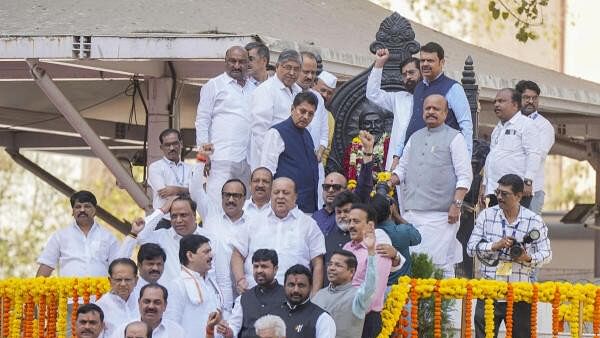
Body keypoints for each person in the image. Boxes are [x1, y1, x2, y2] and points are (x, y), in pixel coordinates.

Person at [390, 94, 472, 277]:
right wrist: (389, 180)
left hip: (441, 216)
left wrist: (456, 205)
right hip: (411, 213)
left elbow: (465, 176)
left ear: (445, 113)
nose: (431, 112)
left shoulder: (455, 138)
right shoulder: (414, 137)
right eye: (428, 108)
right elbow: (402, 168)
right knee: (413, 264)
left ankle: (442, 305)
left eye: (436, 109)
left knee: (437, 265)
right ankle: (416, 306)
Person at [467, 174, 552, 338]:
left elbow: (547, 254)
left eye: (504, 194)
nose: (499, 197)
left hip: (519, 293)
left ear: (519, 196)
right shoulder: (486, 215)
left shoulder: (533, 220)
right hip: (489, 291)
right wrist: (494, 245)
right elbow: (470, 249)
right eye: (498, 192)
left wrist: (527, 258)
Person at [231, 177, 326, 296]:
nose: (280, 196)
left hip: (294, 297)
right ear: (271, 194)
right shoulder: (253, 222)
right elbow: (237, 254)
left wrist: (314, 296)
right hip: (254, 294)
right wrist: (240, 280)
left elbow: (318, 263)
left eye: (286, 193)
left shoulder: (309, 225)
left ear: (295, 196)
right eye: (276, 192)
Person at [132, 194, 231, 303]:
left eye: (183, 215)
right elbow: (139, 235)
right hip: (168, 307)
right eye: (174, 216)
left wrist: (225, 312)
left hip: (205, 307)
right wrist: (162, 210)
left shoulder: (211, 240)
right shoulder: (160, 237)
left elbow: (223, 281)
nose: (178, 220)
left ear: (194, 214)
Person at [195, 46, 255, 206]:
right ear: (225, 62)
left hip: (248, 159)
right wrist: (203, 155)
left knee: (245, 206)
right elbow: (202, 120)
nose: (237, 66)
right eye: (232, 61)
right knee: (217, 205)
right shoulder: (214, 85)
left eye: (241, 62)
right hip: (221, 158)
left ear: (248, 63)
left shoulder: (254, 89)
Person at [404, 42, 473, 154]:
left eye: (430, 61)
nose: (425, 64)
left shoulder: (453, 88)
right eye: (422, 60)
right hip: (414, 154)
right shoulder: (418, 87)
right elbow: (411, 122)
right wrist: (398, 153)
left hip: (440, 156)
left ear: (442, 62)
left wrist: (466, 158)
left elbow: (465, 125)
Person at [479, 88, 542, 209]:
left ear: (515, 105)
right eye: (495, 102)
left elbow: (533, 154)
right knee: (497, 227)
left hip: (516, 191)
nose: (496, 104)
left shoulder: (527, 125)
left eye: (501, 101)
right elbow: (491, 158)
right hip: (496, 191)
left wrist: (528, 182)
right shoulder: (497, 129)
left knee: (514, 227)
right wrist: (485, 186)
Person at [259, 91, 319, 213]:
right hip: (285, 207)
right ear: (292, 109)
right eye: (302, 111)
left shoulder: (307, 135)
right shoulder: (276, 133)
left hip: (308, 206)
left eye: (310, 114)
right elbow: (267, 171)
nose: (306, 117)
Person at [343, 203, 397, 338]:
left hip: (365, 318)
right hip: (343, 314)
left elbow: (374, 292)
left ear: (370, 226)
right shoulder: (346, 247)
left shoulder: (379, 250)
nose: (350, 226)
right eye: (349, 221)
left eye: (356, 221)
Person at [37, 190, 120, 277]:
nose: (82, 210)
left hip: (101, 290)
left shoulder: (108, 237)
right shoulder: (60, 236)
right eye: (78, 207)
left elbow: (118, 268)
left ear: (95, 210)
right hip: (68, 290)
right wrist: (37, 289)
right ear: (73, 211)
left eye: (87, 206)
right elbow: (46, 265)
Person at [366, 49, 422, 170]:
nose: (408, 77)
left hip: (421, 162)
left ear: (422, 72)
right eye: (404, 74)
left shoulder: (433, 99)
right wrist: (379, 64)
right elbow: (372, 93)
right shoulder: (399, 98)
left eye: (411, 72)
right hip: (396, 164)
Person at [313, 235, 378, 338]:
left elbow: (370, 285)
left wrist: (371, 252)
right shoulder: (319, 295)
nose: (331, 268)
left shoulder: (358, 297)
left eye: (338, 265)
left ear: (351, 272)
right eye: (330, 264)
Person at [314, 130, 376, 236]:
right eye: (326, 187)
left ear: (346, 190)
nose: (331, 190)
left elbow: (364, 185)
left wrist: (368, 151)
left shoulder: (353, 211)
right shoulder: (315, 218)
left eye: (336, 187)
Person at [250, 49, 303, 169]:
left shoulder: (298, 92)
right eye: (288, 67)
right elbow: (260, 129)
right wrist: (272, 158)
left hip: (293, 156)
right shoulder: (265, 90)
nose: (292, 72)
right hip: (272, 159)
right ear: (277, 66)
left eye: (296, 69)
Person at [164, 234, 225, 338]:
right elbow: (171, 324)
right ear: (190, 256)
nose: (211, 255)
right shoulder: (178, 285)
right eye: (206, 252)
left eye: (210, 251)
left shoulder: (210, 282)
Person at [224, 249, 286, 337]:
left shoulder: (288, 296)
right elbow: (234, 326)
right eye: (256, 266)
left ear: (275, 269)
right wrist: (228, 331)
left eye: (264, 266)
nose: (259, 270)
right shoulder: (244, 298)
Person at [515, 80, 555, 214]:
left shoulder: (544, 126)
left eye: (534, 98)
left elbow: (538, 154)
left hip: (532, 191)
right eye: (526, 98)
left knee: (530, 233)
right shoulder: (510, 123)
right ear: (517, 98)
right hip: (509, 191)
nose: (531, 101)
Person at [270, 265, 336, 338]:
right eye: (291, 285)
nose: (296, 290)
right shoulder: (273, 314)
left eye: (301, 285)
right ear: (284, 286)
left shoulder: (322, 318)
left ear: (310, 287)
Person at [370, 193, 421, 283]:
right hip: (402, 288)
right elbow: (417, 237)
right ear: (390, 210)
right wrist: (397, 215)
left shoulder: (368, 235)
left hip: (378, 288)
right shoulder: (402, 231)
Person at [148, 128, 193, 228]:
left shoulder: (190, 168)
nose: (172, 148)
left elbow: (197, 193)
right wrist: (188, 191)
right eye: (167, 145)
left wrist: (176, 190)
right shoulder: (155, 167)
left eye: (175, 143)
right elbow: (164, 193)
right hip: (164, 221)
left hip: (187, 221)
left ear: (181, 144)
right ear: (161, 147)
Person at [111, 283, 184, 338]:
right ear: (139, 303)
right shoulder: (123, 329)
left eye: (157, 302)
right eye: (147, 301)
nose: (151, 306)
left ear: (165, 305)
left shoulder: (176, 332)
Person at [96, 258, 140, 337]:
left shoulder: (145, 301)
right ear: (110, 281)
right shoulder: (100, 307)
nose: (123, 284)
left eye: (127, 279)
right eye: (118, 280)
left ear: (136, 280)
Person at [313, 70, 338, 166]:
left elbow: (326, 148)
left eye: (329, 93)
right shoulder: (301, 103)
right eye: (323, 90)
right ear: (314, 85)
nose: (325, 95)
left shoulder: (330, 118)